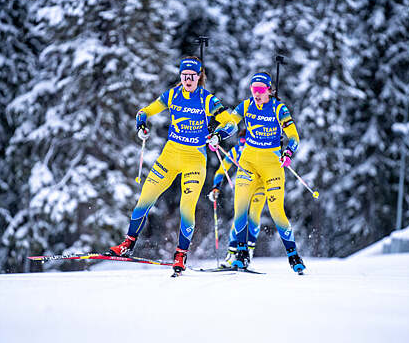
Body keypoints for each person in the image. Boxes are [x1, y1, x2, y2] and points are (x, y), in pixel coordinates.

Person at [106, 56, 237, 275]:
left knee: (187, 207)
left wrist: (218, 134)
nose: (187, 80)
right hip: (170, 155)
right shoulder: (172, 95)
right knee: (145, 199)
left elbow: (231, 124)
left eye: (192, 77)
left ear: (198, 77)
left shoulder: (207, 100)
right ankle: (127, 245)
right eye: (184, 76)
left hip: (194, 160)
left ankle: (181, 254)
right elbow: (144, 112)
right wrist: (141, 126)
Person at [228, 72, 306, 273]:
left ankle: (293, 256)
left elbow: (294, 136)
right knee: (240, 206)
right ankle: (242, 254)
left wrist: (289, 151)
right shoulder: (246, 105)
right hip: (248, 163)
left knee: (276, 210)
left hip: (272, 165)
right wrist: (216, 133)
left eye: (261, 91)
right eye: (254, 91)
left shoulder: (279, 108)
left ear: (270, 90)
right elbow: (230, 123)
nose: (256, 95)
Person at [207, 129, 267, 267]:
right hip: (244, 185)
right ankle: (231, 255)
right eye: (241, 143)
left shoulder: (259, 148)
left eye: (245, 143)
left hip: (260, 186)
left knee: (254, 216)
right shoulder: (236, 151)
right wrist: (216, 187)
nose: (242, 146)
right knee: (239, 218)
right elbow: (221, 170)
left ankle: (248, 253)